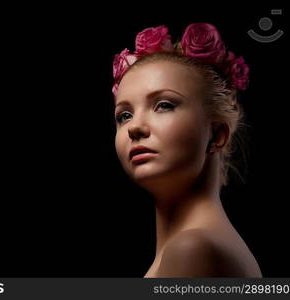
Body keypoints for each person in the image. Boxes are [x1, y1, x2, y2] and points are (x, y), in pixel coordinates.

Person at [112, 23, 262, 277]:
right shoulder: (191, 246)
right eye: (124, 115)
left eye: (164, 105)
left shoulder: (193, 250)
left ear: (217, 135)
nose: (134, 127)